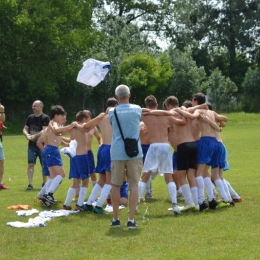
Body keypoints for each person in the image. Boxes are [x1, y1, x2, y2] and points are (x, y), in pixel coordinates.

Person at [138, 95, 186, 215]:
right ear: (157, 104)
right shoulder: (167, 115)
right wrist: (167, 113)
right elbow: (182, 122)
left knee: (144, 176)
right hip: (165, 146)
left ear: (147, 105)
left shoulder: (146, 116)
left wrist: (150, 111)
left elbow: (138, 110)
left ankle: (136, 204)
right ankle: (174, 205)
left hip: (154, 146)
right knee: (168, 176)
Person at [108, 85, 143, 228]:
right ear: (129, 94)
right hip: (134, 152)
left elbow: (113, 126)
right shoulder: (137, 109)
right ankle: (131, 219)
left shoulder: (112, 111)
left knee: (116, 185)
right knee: (133, 185)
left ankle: (116, 219)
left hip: (117, 152)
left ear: (116, 98)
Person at [83, 98, 119, 214]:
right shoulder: (115, 117)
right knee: (109, 180)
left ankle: (89, 203)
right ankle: (98, 206)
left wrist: (98, 117)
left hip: (102, 148)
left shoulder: (102, 118)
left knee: (102, 179)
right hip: (110, 149)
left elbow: (86, 126)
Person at [23, 100, 50, 190]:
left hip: (42, 145)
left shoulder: (45, 117)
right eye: (33, 106)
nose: (33, 107)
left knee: (44, 164)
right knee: (30, 164)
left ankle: (44, 183)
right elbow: (25, 129)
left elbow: (44, 130)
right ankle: (30, 184)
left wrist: (35, 135)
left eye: (35, 106)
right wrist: (27, 135)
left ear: (41, 107)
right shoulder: (30, 117)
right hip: (31, 145)